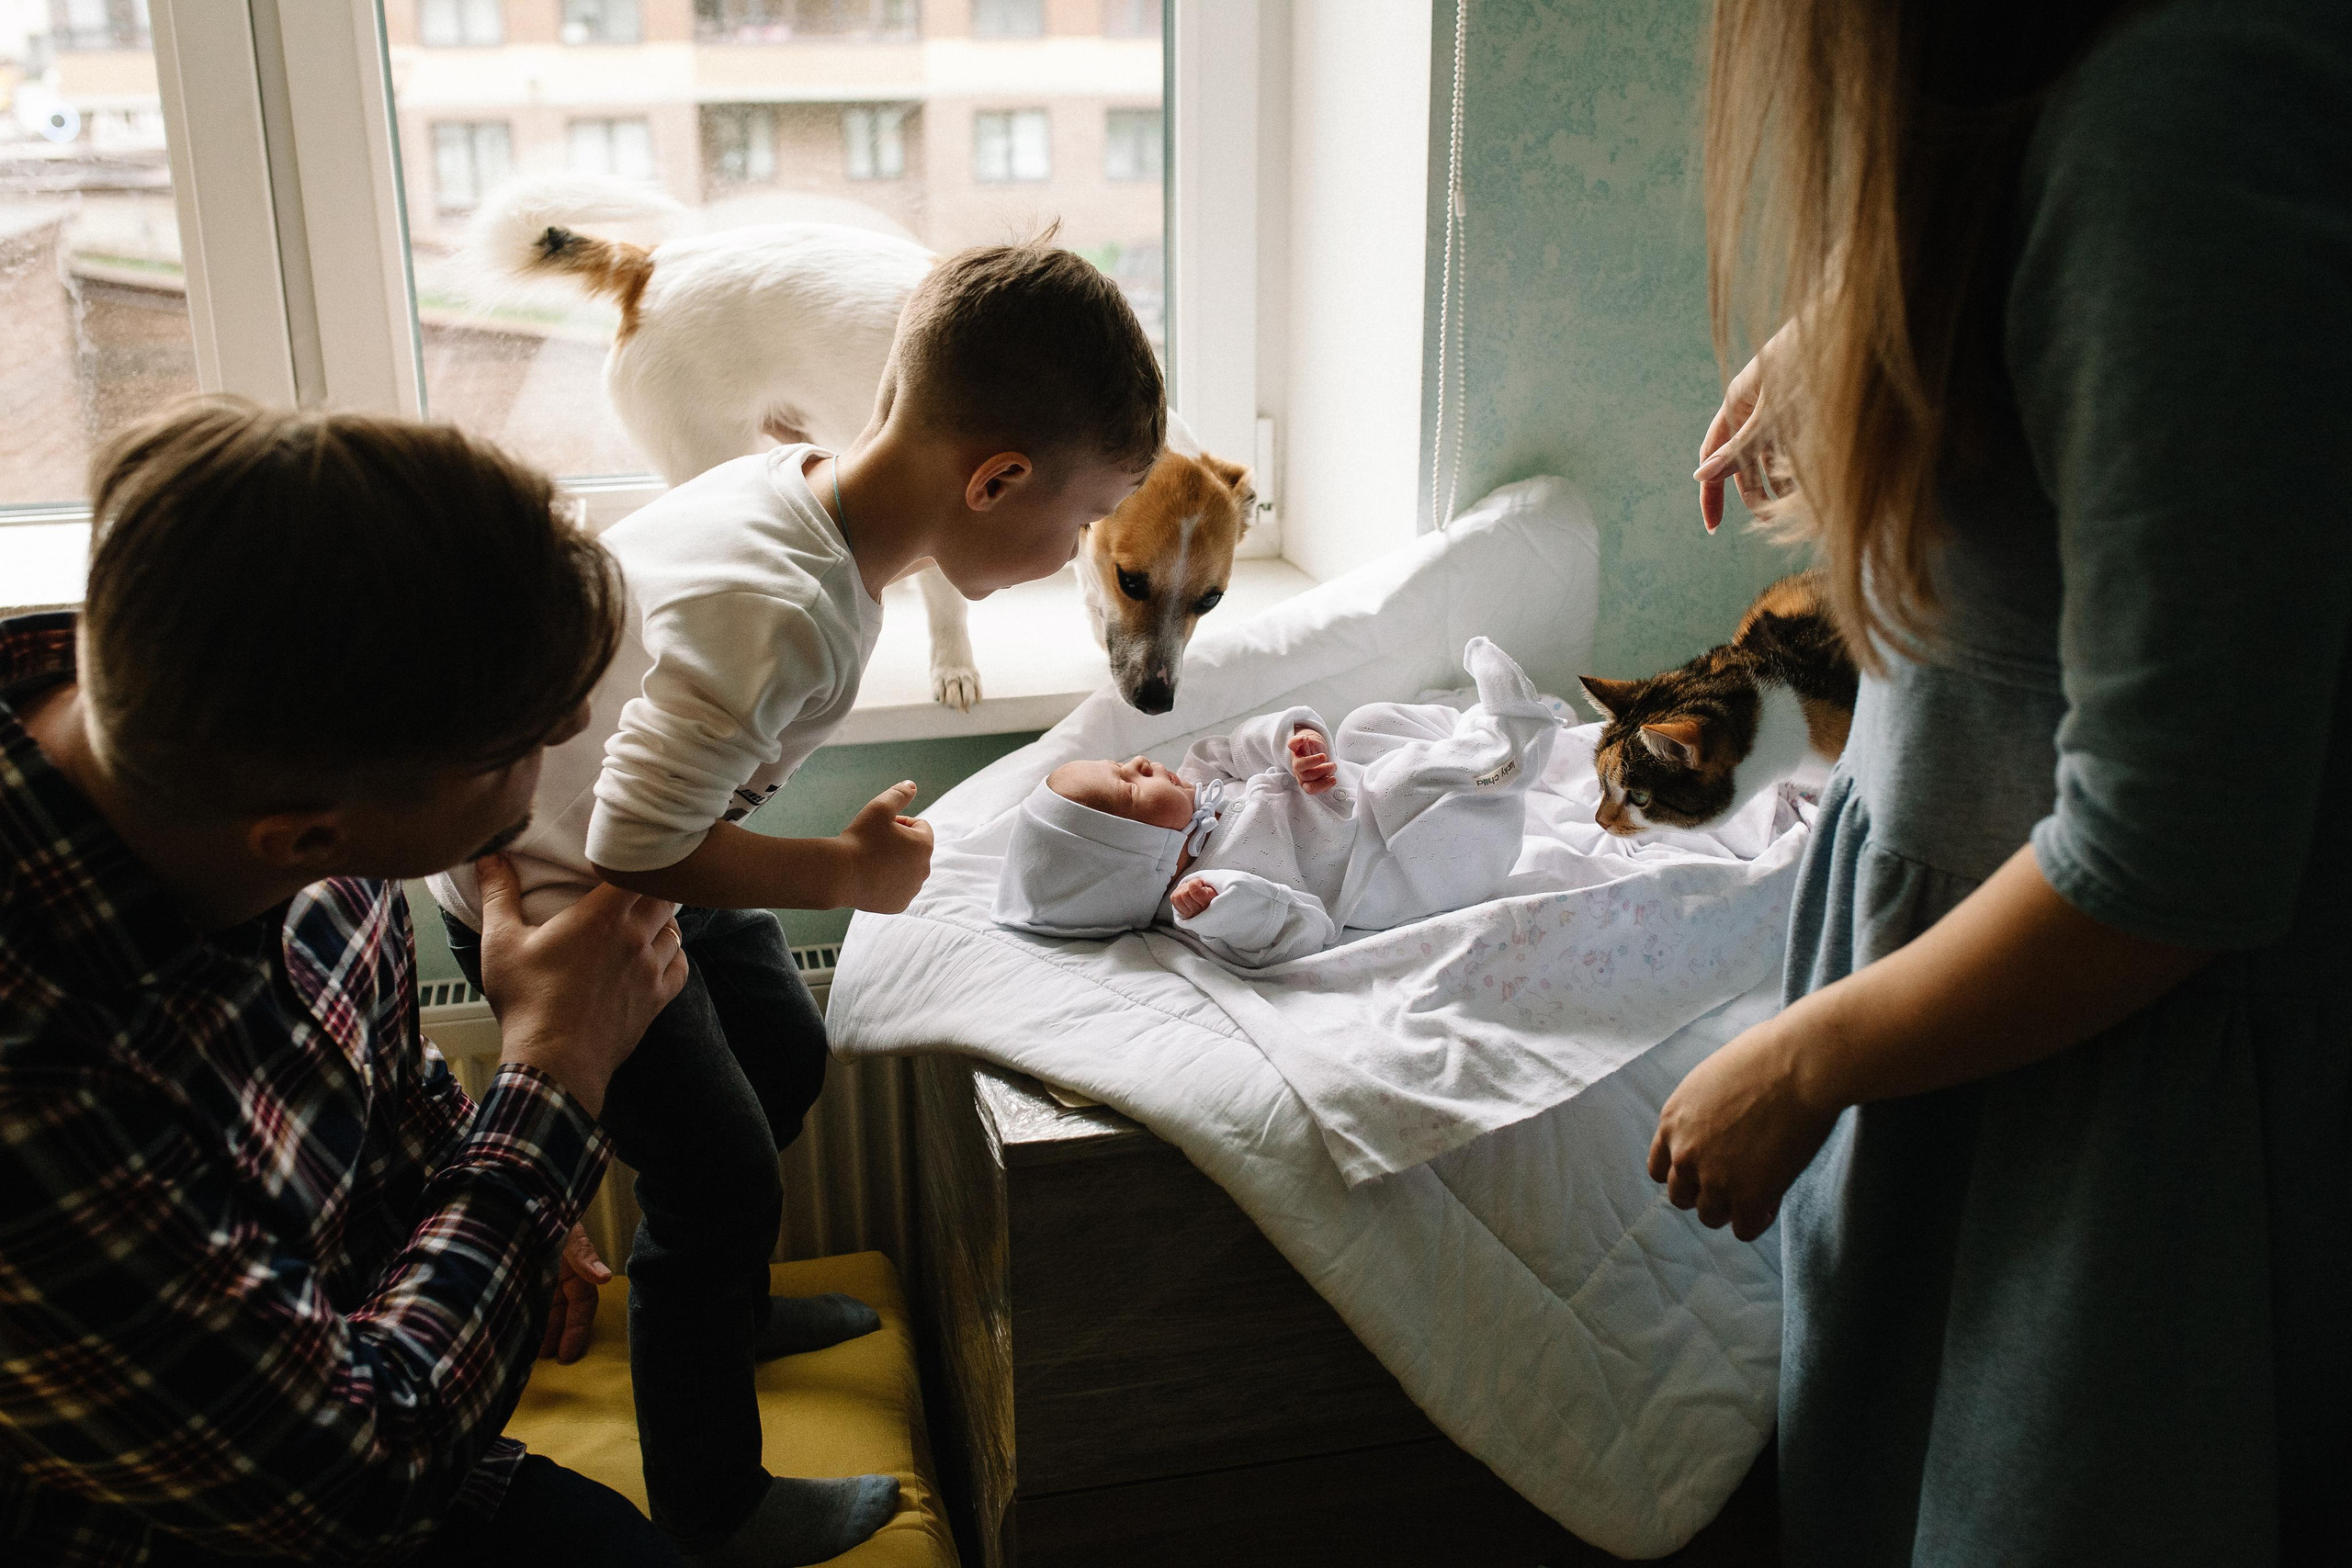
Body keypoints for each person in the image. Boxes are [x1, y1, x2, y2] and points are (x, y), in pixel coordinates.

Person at [1646, 1, 2350, 1562]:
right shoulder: (2070, 103)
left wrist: (1804, 1060)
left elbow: (2171, 850)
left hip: (2109, 1126)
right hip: (1975, 1066)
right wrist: (1879, 322)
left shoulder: (2186, 115)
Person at [424, 237, 1166, 1562]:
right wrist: (843, 872)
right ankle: (716, 1503)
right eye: (1076, 525)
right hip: (564, 897)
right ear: (992, 478)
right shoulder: (788, 602)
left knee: (779, 1042)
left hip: (630, 848)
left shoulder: (799, 497)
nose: (1071, 558)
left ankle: (721, 1298)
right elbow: (634, 840)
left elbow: (661, 802)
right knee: (714, 1171)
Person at [0, 400, 694, 1563]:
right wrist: (555, 1074)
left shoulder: (254, 707)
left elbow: (372, 1066)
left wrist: (483, 1200)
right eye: (517, 747)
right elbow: (358, 1476)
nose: (571, 729)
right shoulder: (44, 1084)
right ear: (303, 839)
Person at [995, 637, 1560, 966]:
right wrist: (1231, 905)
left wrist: (1293, 747)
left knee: (1363, 728)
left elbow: (1238, 745)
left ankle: (1464, 732)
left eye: (1120, 763)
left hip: (1369, 799)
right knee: (1398, 787)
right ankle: (1514, 742)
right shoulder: (1212, 896)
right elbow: (1305, 930)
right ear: (1142, 858)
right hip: (1407, 864)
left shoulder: (1199, 781)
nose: (1139, 763)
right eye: (1126, 787)